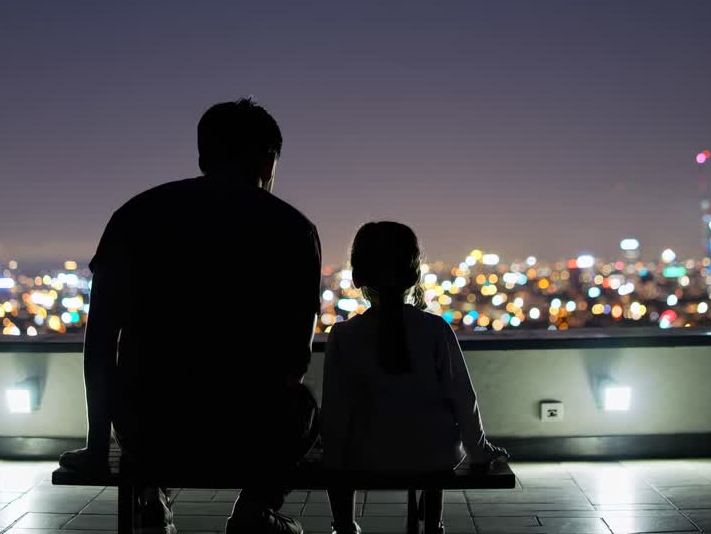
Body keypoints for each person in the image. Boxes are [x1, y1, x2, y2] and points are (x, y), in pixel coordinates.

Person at [60, 98, 323, 534]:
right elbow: (295, 357)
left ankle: (150, 498)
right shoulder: (293, 229)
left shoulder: (135, 214)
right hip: (249, 432)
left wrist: (94, 448)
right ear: (268, 161)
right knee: (303, 407)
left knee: (140, 388)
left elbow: (101, 342)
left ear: (202, 156)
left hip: (150, 430)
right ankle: (253, 511)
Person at [321, 222, 505, 534]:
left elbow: (336, 412)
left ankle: (344, 526)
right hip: (435, 455)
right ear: (414, 276)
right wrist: (479, 452)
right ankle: (431, 525)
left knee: (341, 446)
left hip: (364, 456)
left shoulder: (344, 335)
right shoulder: (435, 330)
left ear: (356, 278)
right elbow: (463, 399)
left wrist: (333, 461)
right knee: (432, 434)